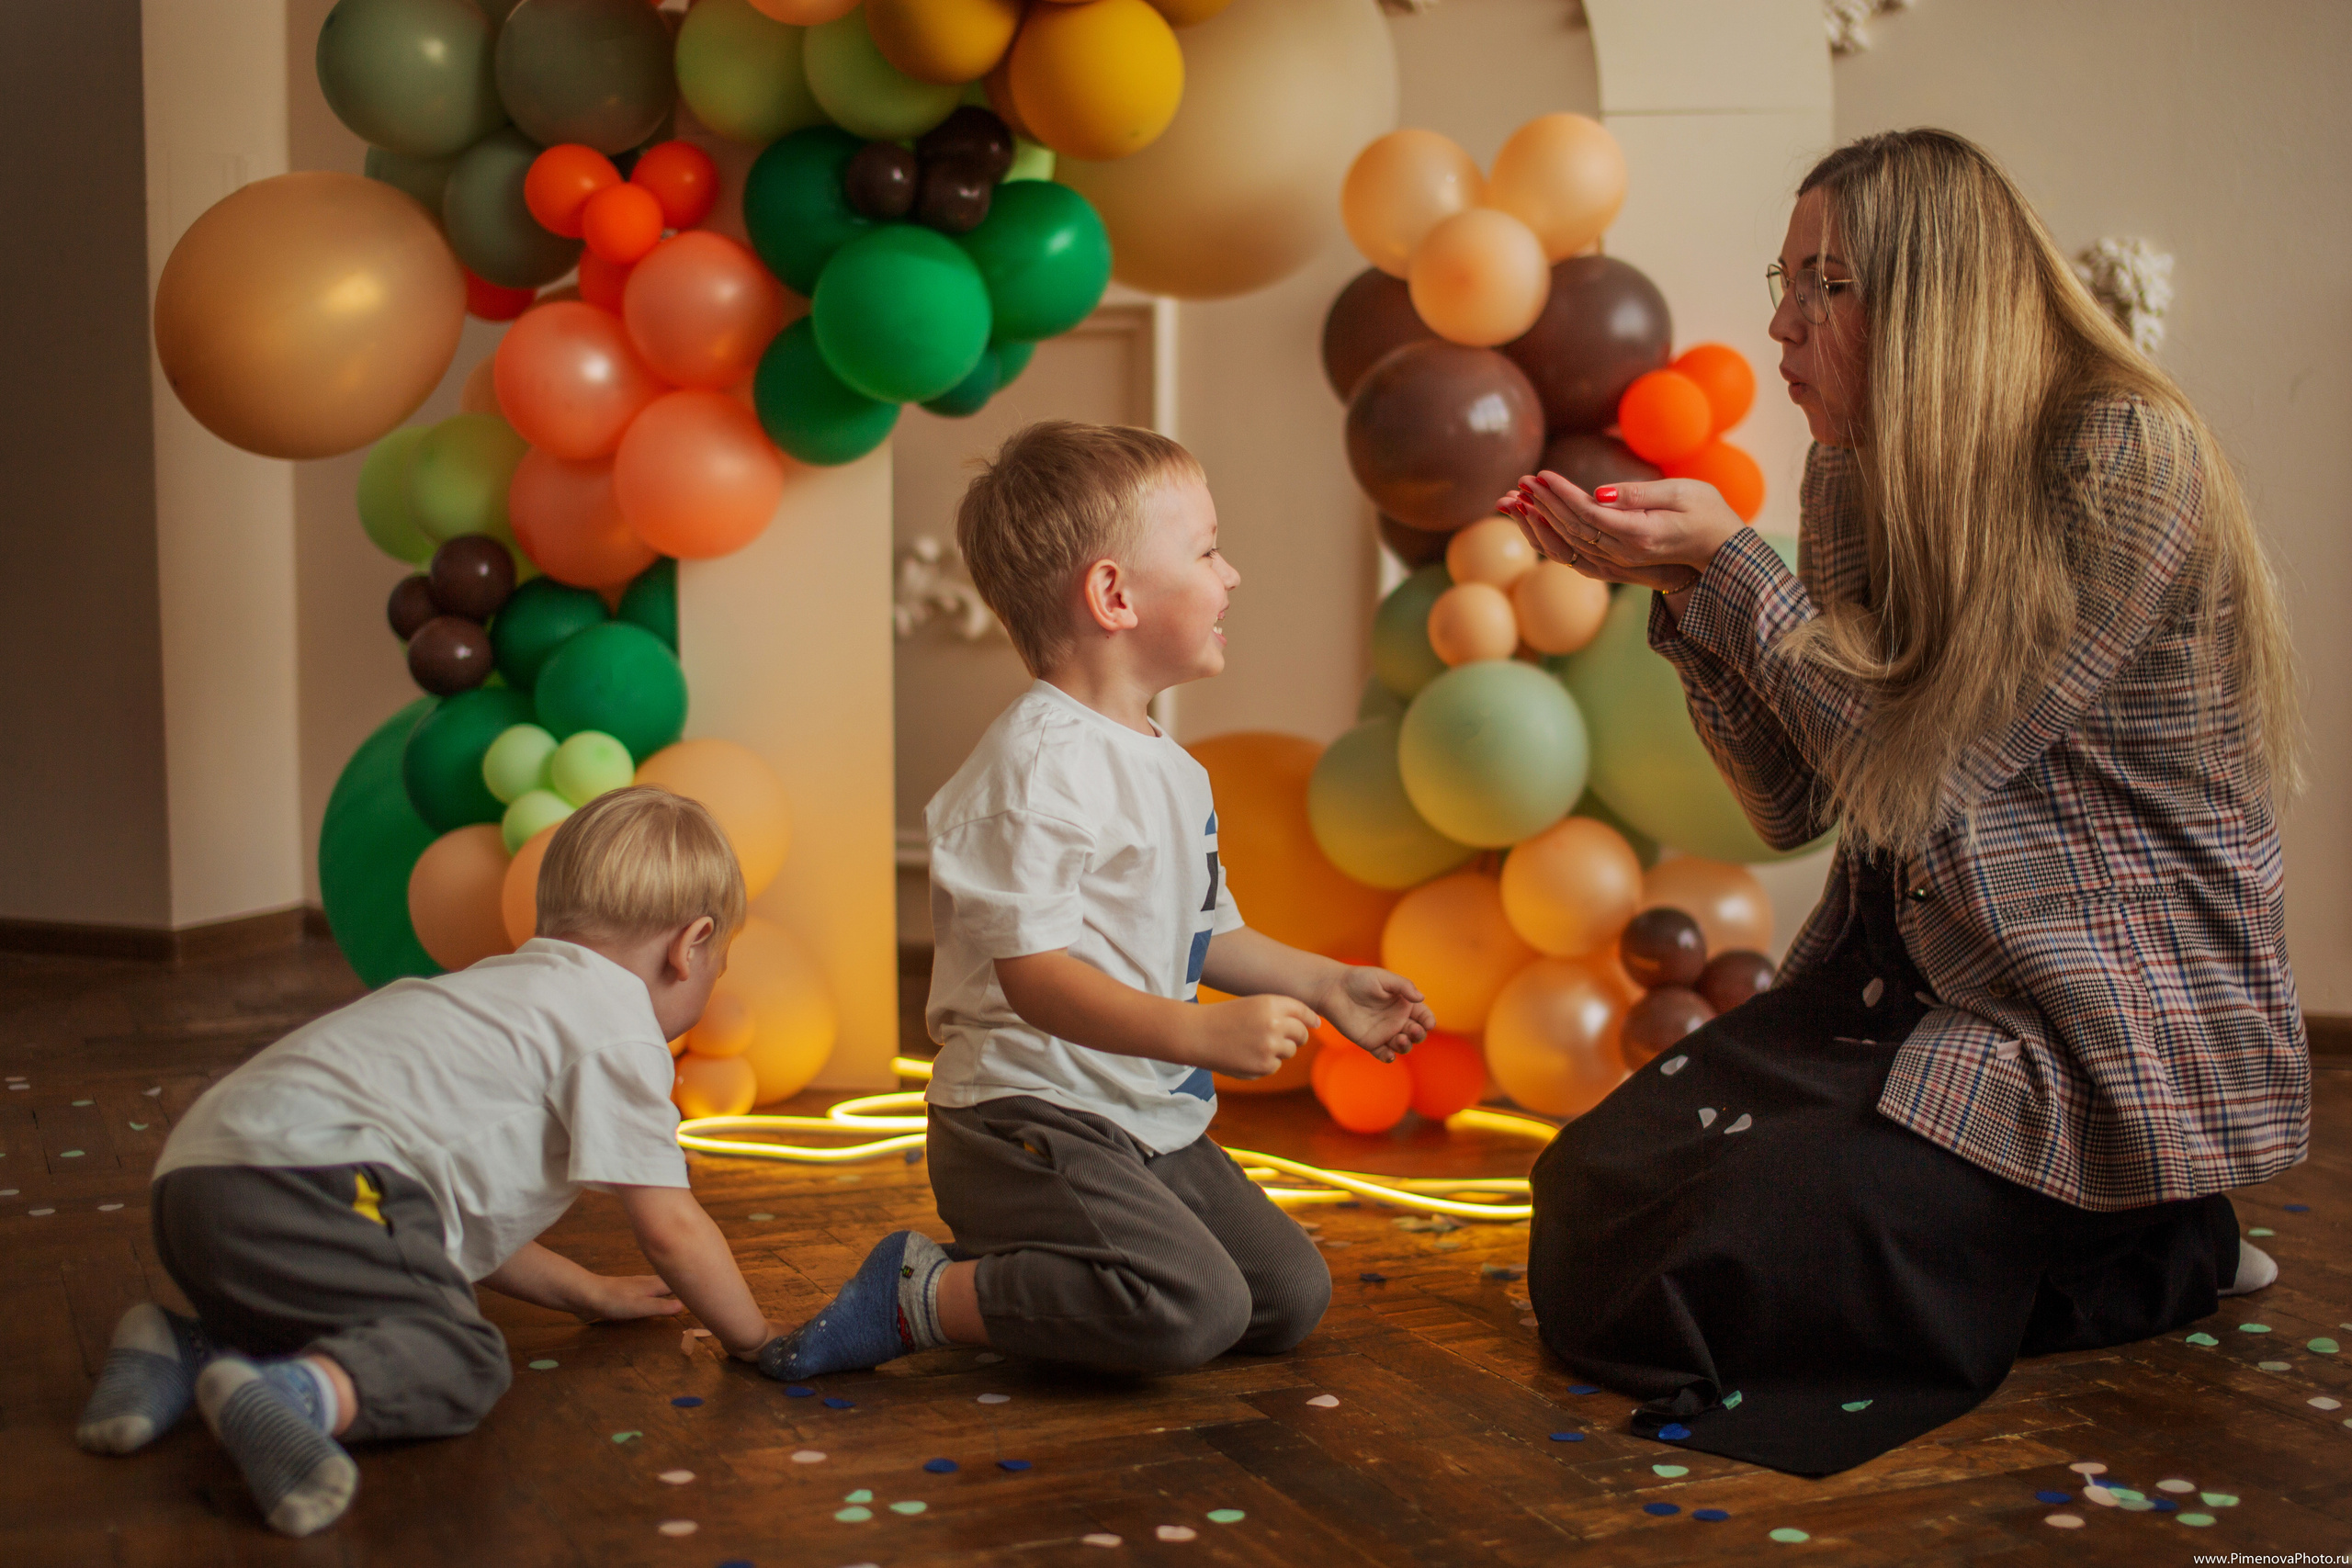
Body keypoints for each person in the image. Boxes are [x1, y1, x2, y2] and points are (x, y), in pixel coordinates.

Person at [1498, 129, 2306, 1476]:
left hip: (2082, 1011)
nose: (1780, 322)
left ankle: (2159, 1233)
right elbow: (1800, 799)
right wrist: (1691, 595)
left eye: (1826, 284)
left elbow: (1933, 762)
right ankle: (2105, 1235)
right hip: (1908, 983)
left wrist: (1734, 565)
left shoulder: (2127, 457)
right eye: (1785, 276)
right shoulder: (1856, 468)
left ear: (1936, 298)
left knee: (1727, 1265)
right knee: (1588, 1206)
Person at [763, 421, 1434, 1382]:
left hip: (1135, 1112)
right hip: (1023, 1120)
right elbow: (1036, 981)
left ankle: (1054, 1277)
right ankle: (923, 1295)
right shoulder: (1035, 768)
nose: (1231, 574)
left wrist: (1329, 983)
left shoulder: (1167, 764)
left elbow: (1210, 932)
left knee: (1285, 1296)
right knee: (1190, 1308)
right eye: (1206, 549)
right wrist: (1197, 1036)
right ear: (1114, 595)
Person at [74, 788, 774, 1535]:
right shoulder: (619, 1028)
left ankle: (183, 1346)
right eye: (718, 967)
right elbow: (670, 1226)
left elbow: (451, 1225)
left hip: (198, 1181)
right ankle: (289, 1398)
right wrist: (759, 1341)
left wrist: (585, 1291)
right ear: (691, 943)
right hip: (314, 1180)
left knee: (370, 1304)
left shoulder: (499, 991)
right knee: (461, 1353)